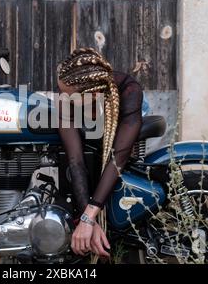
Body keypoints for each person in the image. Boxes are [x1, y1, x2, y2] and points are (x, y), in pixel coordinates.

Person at [57, 47, 143, 258]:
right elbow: (75, 160)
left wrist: (88, 218)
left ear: (92, 95)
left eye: (70, 98)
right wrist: (89, 220)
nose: (64, 99)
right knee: (88, 157)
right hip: (94, 116)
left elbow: (118, 158)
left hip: (124, 116)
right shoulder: (69, 90)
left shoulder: (129, 90)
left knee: (117, 170)